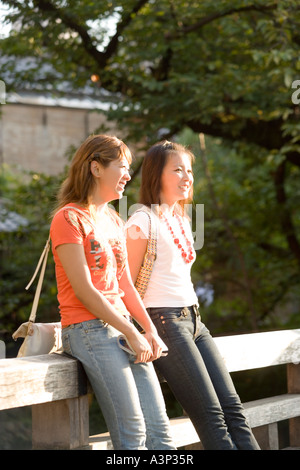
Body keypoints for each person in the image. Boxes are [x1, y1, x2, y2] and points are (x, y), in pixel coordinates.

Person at [126, 140, 260, 450]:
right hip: (164, 322)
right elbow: (125, 286)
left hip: (195, 321)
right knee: (211, 414)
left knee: (234, 408)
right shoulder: (141, 221)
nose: (188, 177)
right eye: (177, 170)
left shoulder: (183, 220)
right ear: (156, 174)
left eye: (190, 170)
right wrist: (145, 330)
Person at [50, 134, 176, 451]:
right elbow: (84, 291)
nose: (128, 176)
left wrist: (147, 329)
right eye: (121, 166)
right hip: (87, 328)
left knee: (160, 430)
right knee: (132, 431)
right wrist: (130, 332)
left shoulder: (113, 219)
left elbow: (124, 285)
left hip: (120, 326)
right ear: (95, 167)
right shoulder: (68, 218)